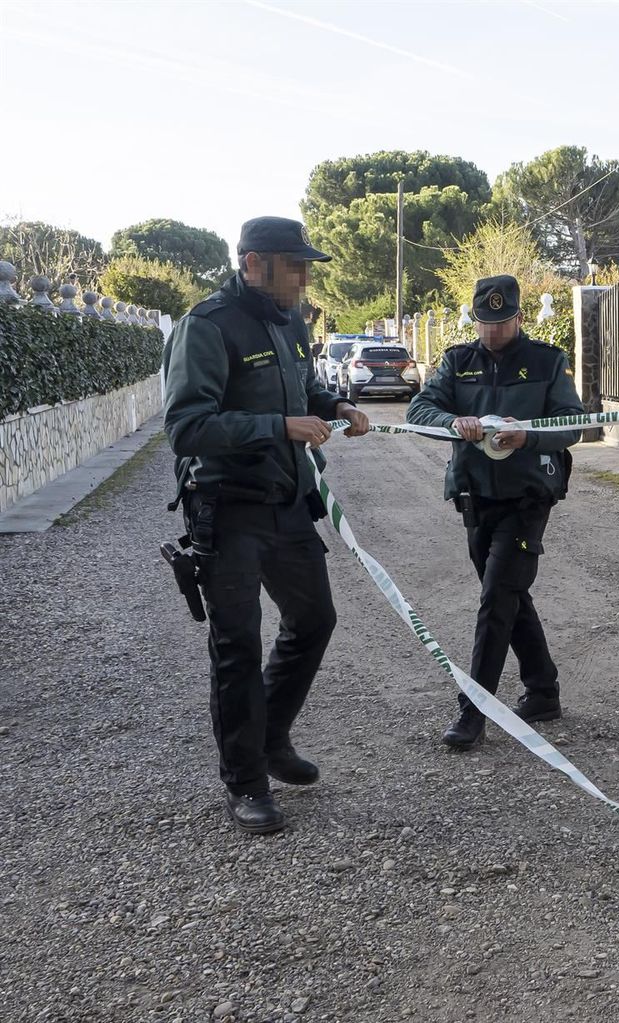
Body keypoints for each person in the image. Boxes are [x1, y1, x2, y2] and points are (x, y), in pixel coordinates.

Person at [163, 216, 370, 834]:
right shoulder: (207, 326)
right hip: (226, 508)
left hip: (286, 500)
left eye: (306, 266)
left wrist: (335, 406)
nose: (305, 277)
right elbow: (187, 427)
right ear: (254, 263)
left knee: (313, 620)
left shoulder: (291, 321)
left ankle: (271, 736)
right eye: (294, 265)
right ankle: (247, 783)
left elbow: (303, 388)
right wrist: (278, 427)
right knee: (237, 646)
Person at [406, 274, 584, 750]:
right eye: (485, 323)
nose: (493, 332)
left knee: (495, 598)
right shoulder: (457, 361)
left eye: (502, 323)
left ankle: (473, 711)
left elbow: (574, 425)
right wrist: (452, 421)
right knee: (508, 594)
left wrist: (528, 434)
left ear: (519, 318)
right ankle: (542, 690)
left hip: (528, 498)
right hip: (475, 496)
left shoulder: (547, 361)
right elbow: (419, 411)